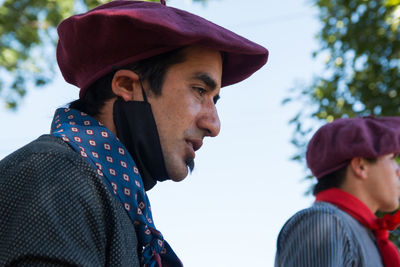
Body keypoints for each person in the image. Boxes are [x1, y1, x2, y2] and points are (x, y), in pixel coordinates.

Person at [0, 1, 268, 266]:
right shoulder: (53, 173)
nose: (214, 125)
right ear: (126, 85)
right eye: (199, 90)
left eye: (215, 100)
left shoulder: (118, 206)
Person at [275, 116, 400, 267]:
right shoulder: (323, 223)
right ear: (360, 166)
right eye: (391, 158)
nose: (397, 170)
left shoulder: (367, 237)